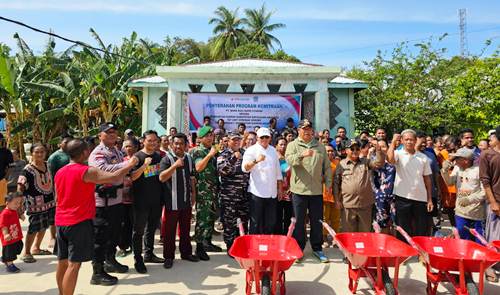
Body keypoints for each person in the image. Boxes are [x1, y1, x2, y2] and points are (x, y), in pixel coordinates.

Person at [55, 138, 137, 294]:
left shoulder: (61, 171)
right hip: (78, 222)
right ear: (85, 152)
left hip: (61, 221)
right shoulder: (86, 171)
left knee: (63, 262)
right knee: (74, 265)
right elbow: (113, 177)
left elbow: (57, 197)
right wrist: (130, 164)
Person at [88, 123, 131, 284]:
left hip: (117, 199)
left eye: (114, 132)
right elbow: (105, 170)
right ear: (100, 135)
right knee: (100, 237)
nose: (112, 135)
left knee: (114, 234)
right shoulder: (98, 153)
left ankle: (110, 260)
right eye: (108, 132)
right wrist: (129, 164)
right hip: (102, 203)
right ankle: (97, 272)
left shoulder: (116, 151)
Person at [285, 119, 332, 263]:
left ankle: (317, 248)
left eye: (309, 128)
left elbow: (327, 167)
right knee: (299, 222)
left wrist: (328, 183)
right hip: (299, 191)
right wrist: (302, 155)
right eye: (304, 128)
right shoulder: (293, 145)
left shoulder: (320, 147)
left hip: (316, 191)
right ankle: (299, 248)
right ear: (299, 130)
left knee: (316, 221)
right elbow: (289, 160)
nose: (307, 131)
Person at [159, 133, 200, 268]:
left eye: (181, 143)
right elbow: (162, 178)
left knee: (185, 228)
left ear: (185, 145)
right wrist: (175, 166)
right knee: (170, 231)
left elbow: (191, 178)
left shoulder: (188, 158)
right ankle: (169, 257)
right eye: (176, 143)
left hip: (186, 200)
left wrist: (193, 193)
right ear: (171, 144)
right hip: (172, 201)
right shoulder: (167, 159)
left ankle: (186, 253)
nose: (178, 146)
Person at [387, 129, 433, 239]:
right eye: (406, 139)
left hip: (420, 198)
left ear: (416, 140)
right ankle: (404, 253)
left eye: (411, 139)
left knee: (421, 228)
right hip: (402, 197)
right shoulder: (398, 154)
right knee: (402, 228)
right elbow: (390, 160)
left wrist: (429, 199)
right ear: (402, 141)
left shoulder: (423, 158)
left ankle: (420, 252)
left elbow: (427, 179)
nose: (409, 142)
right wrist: (393, 142)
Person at [129, 131, 165, 273]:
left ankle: (149, 254)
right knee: (138, 231)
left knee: (151, 229)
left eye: (155, 140)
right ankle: (138, 259)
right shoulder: (137, 157)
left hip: (156, 199)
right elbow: (132, 176)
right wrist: (144, 166)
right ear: (143, 141)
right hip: (141, 200)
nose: (153, 143)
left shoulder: (158, 156)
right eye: (150, 140)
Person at [334, 139, 384, 233]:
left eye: (357, 148)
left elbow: (379, 164)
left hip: (365, 205)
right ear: (346, 150)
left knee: (365, 233)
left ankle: (363, 248)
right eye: (352, 149)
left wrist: (378, 151)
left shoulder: (366, 162)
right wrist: (337, 200)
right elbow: (336, 184)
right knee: (349, 234)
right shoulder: (341, 164)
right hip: (348, 205)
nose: (355, 151)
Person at [18, 143, 55, 263]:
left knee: (44, 226)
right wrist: (19, 203)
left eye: (42, 151)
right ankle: (26, 252)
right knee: (34, 228)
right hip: (35, 204)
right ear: (32, 153)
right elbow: (21, 186)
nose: (40, 154)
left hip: (49, 201)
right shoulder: (27, 170)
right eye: (37, 152)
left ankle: (36, 248)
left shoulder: (47, 165)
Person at [242, 127, 283, 235]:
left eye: (267, 137)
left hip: (272, 193)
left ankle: (267, 248)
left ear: (270, 138)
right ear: (257, 138)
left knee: (270, 223)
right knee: (255, 223)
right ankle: (253, 248)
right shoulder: (251, 150)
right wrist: (256, 161)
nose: (264, 139)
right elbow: (244, 168)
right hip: (257, 193)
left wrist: (280, 189)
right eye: (262, 137)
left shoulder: (273, 150)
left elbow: (278, 171)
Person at [190, 126, 221, 261]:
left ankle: (207, 243)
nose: (210, 138)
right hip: (203, 191)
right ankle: (199, 247)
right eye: (207, 136)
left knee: (210, 217)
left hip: (213, 190)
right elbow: (198, 167)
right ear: (200, 138)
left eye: (211, 135)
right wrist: (209, 155)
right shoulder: (198, 151)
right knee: (202, 219)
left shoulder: (212, 150)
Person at [441, 148, 485, 241]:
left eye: (457, 158)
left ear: (466, 160)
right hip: (461, 211)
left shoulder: (479, 170)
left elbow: (485, 191)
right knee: (463, 240)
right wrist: (444, 171)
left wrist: (470, 199)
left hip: (476, 213)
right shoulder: (457, 168)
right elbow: (449, 183)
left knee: (479, 240)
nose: (455, 161)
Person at [216, 132, 249, 255]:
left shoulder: (245, 153)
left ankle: (242, 245)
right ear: (228, 141)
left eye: (238, 140)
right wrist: (234, 158)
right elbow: (222, 171)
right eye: (234, 140)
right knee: (229, 222)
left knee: (244, 222)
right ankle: (230, 247)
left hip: (244, 194)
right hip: (229, 196)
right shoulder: (223, 155)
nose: (236, 142)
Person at [479, 125, 500, 282]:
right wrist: (493, 202)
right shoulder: (487, 155)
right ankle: (489, 266)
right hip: (495, 200)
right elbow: (485, 181)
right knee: (493, 235)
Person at [117, 139, 138, 257]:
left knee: (135, 223)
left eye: (130, 146)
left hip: (136, 197)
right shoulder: (120, 161)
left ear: (136, 147)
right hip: (122, 198)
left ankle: (135, 246)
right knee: (123, 224)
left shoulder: (139, 160)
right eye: (125, 146)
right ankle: (123, 247)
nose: (127, 149)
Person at [372, 140, 397, 234]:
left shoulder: (394, 159)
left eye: (383, 146)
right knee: (383, 223)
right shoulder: (373, 160)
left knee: (396, 222)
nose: (381, 149)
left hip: (394, 195)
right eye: (379, 147)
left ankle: (395, 244)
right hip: (380, 197)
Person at [0, 192, 24, 273]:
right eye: (15, 203)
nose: (18, 205)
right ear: (7, 203)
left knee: (19, 247)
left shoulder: (14, 210)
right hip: (9, 237)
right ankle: (10, 264)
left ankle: (5, 257)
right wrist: (5, 234)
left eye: (19, 203)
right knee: (10, 252)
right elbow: (3, 225)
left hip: (16, 235)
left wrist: (20, 216)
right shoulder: (4, 214)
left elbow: (16, 215)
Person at [274, 137, 293, 235]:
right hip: (277, 191)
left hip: (289, 191)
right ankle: (278, 237)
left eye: (285, 144)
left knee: (288, 216)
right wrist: (279, 189)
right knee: (277, 216)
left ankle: (287, 237)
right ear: (276, 146)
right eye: (281, 144)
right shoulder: (274, 158)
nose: (283, 146)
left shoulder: (289, 158)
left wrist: (291, 187)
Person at [323, 144, 340, 244]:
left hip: (336, 195)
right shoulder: (320, 163)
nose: (330, 153)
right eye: (327, 151)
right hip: (323, 195)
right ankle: (324, 237)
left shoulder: (338, 163)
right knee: (324, 217)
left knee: (336, 218)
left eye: (331, 151)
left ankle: (335, 238)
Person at [0, 133, 14, 212]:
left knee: (2, 204)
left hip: (1, 181)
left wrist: (5, 178)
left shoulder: (6, 152)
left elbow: (11, 166)